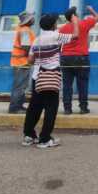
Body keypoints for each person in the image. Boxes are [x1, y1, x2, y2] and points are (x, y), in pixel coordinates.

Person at [22, 13, 77, 149]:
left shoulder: (37, 40)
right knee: (51, 109)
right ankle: (45, 139)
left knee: (34, 108)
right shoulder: (56, 36)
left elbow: (30, 60)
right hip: (52, 78)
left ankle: (29, 136)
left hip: (38, 78)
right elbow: (75, 36)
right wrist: (75, 21)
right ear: (53, 25)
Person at [59, 5, 98, 115]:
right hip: (81, 58)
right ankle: (83, 108)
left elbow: (59, 45)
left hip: (66, 58)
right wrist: (91, 9)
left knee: (67, 84)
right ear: (75, 16)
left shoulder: (62, 28)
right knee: (82, 84)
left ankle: (67, 108)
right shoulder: (84, 24)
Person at [9, 11, 35, 114]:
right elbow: (26, 46)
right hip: (21, 62)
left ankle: (19, 105)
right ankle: (15, 107)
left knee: (21, 86)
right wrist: (33, 56)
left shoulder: (24, 29)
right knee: (19, 86)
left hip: (21, 62)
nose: (33, 19)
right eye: (31, 18)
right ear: (28, 20)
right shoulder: (25, 30)